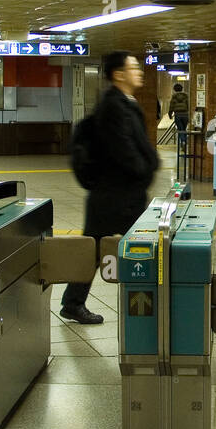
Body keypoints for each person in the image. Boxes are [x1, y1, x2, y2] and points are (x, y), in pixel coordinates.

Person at [61, 51, 160, 324]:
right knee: (141, 247)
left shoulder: (123, 102)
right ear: (119, 74)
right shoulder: (114, 106)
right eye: (134, 67)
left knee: (95, 249)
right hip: (116, 194)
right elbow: (124, 149)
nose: (139, 72)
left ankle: (73, 302)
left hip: (118, 193)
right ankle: (148, 305)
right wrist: (146, 168)